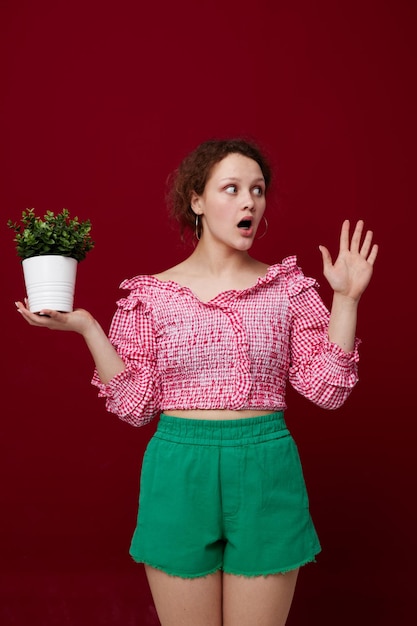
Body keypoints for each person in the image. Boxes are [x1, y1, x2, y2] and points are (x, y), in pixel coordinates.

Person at [15, 138, 378, 626]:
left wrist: (347, 300)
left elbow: (326, 389)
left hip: (266, 467)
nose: (249, 201)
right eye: (231, 188)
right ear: (197, 200)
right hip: (179, 469)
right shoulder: (151, 295)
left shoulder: (287, 288)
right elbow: (135, 406)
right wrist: (88, 328)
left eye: (258, 189)